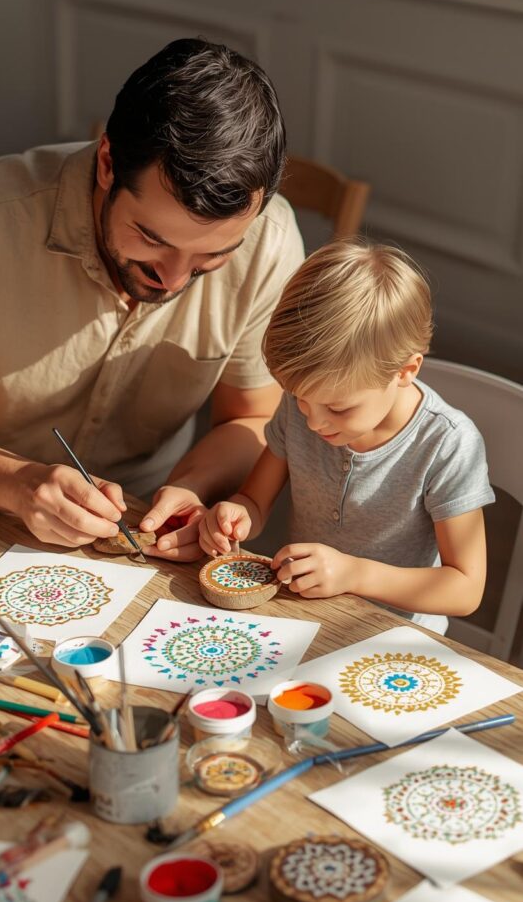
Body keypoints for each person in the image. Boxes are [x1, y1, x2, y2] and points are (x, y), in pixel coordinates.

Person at [0, 38, 304, 560]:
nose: (175, 279)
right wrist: (17, 485)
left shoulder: (270, 244)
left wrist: (190, 488)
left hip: (144, 521)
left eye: (213, 256)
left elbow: (251, 421)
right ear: (108, 162)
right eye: (153, 239)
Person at [198, 239, 495, 633]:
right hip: (305, 618)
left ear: (405, 371)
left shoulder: (447, 446)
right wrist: (236, 517)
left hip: (395, 641)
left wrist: (355, 574)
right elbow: (253, 499)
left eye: (338, 408)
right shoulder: (300, 409)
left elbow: (465, 588)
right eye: (302, 400)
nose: (315, 422)